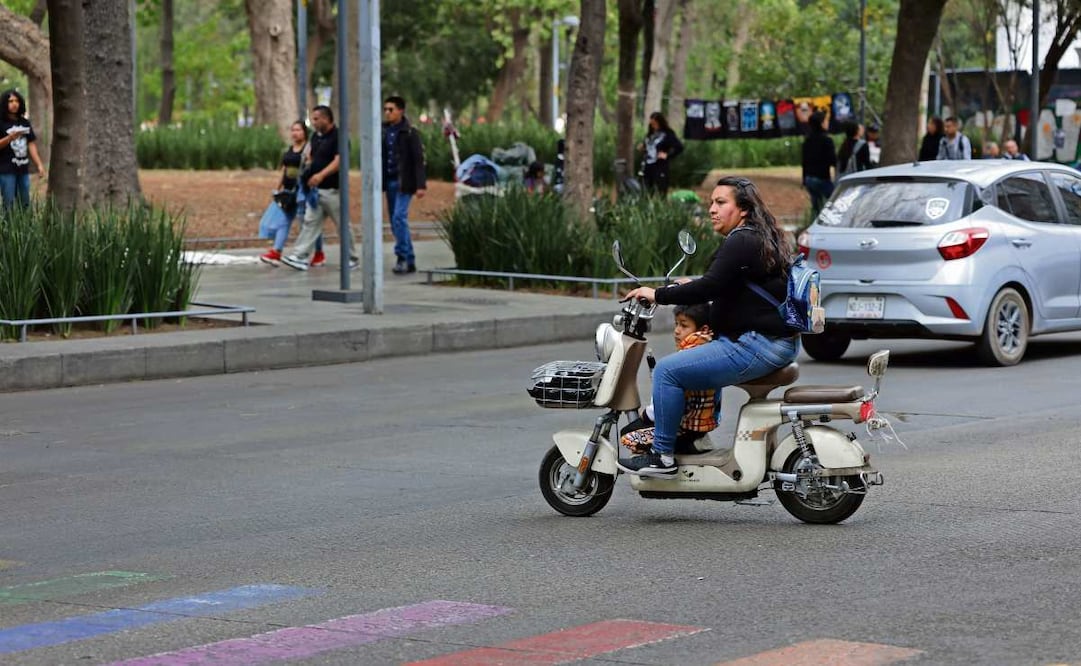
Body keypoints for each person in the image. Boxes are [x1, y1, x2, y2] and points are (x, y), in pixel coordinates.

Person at [620, 176, 800, 477]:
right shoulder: (759, 236)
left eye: (720, 202)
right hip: (774, 342)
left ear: (742, 209)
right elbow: (729, 286)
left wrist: (657, 294)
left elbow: (711, 287)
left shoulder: (741, 240)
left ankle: (662, 456)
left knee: (667, 371)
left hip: (757, 344)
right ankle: (687, 439)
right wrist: (695, 285)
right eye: (711, 203)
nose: (712, 210)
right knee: (693, 358)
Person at [620, 303, 719, 456]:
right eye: (676, 324)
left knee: (628, 433)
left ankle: (665, 457)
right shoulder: (709, 350)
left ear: (703, 329)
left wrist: (646, 415)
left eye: (684, 326)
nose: (677, 330)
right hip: (699, 424)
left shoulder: (688, 357)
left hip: (687, 428)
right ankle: (696, 440)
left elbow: (665, 403)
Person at [281, 106, 358, 272]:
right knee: (310, 223)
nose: (313, 123)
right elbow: (312, 157)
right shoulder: (316, 137)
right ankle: (300, 256)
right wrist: (309, 170)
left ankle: (351, 258)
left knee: (343, 224)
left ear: (326, 119)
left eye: (316, 119)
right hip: (315, 191)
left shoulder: (339, 137)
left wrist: (321, 175)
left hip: (333, 189)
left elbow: (339, 161)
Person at [261, 120, 325, 267]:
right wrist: (278, 189)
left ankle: (319, 253)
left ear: (305, 132)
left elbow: (311, 167)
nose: (295, 133)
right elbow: (284, 170)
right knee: (283, 222)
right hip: (288, 192)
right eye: (293, 130)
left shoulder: (309, 149)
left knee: (308, 224)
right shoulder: (289, 150)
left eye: (298, 130)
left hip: (303, 192)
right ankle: (276, 252)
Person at [382, 95, 427, 274]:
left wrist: (421, 184)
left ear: (400, 111)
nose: (387, 113)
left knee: (399, 218)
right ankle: (409, 258)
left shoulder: (409, 132)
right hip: (389, 181)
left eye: (391, 109)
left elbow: (418, 159)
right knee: (395, 222)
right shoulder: (383, 131)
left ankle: (402, 256)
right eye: (385, 109)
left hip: (404, 182)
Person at [0, 89, 47, 211]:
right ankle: (9, 228)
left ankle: (25, 227)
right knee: (8, 204)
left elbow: (31, 144)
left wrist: (39, 165)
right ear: (5, 103)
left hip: (23, 169)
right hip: (6, 170)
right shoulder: (1, 123)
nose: (14, 104)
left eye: (17, 101)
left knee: (25, 202)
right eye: (10, 101)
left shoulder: (24, 122)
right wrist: (10, 138)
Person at [639, 111, 684, 196]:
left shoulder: (668, 134)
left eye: (655, 124)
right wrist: (643, 147)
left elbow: (679, 147)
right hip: (647, 166)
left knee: (661, 190)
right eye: (651, 124)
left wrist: (667, 155)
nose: (653, 126)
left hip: (659, 166)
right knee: (646, 191)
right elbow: (648, 146)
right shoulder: (650, 134)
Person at [801, 110, 836, 216]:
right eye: (826, 121)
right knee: (834, 203)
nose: (827, 123)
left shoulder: (807, 140)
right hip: (822, 178)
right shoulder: (827, 140)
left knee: (816, 207)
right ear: (821, 123)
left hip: (809, 178)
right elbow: (833, 160)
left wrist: (804, 179)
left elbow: (804, 161)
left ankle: (814, 223)